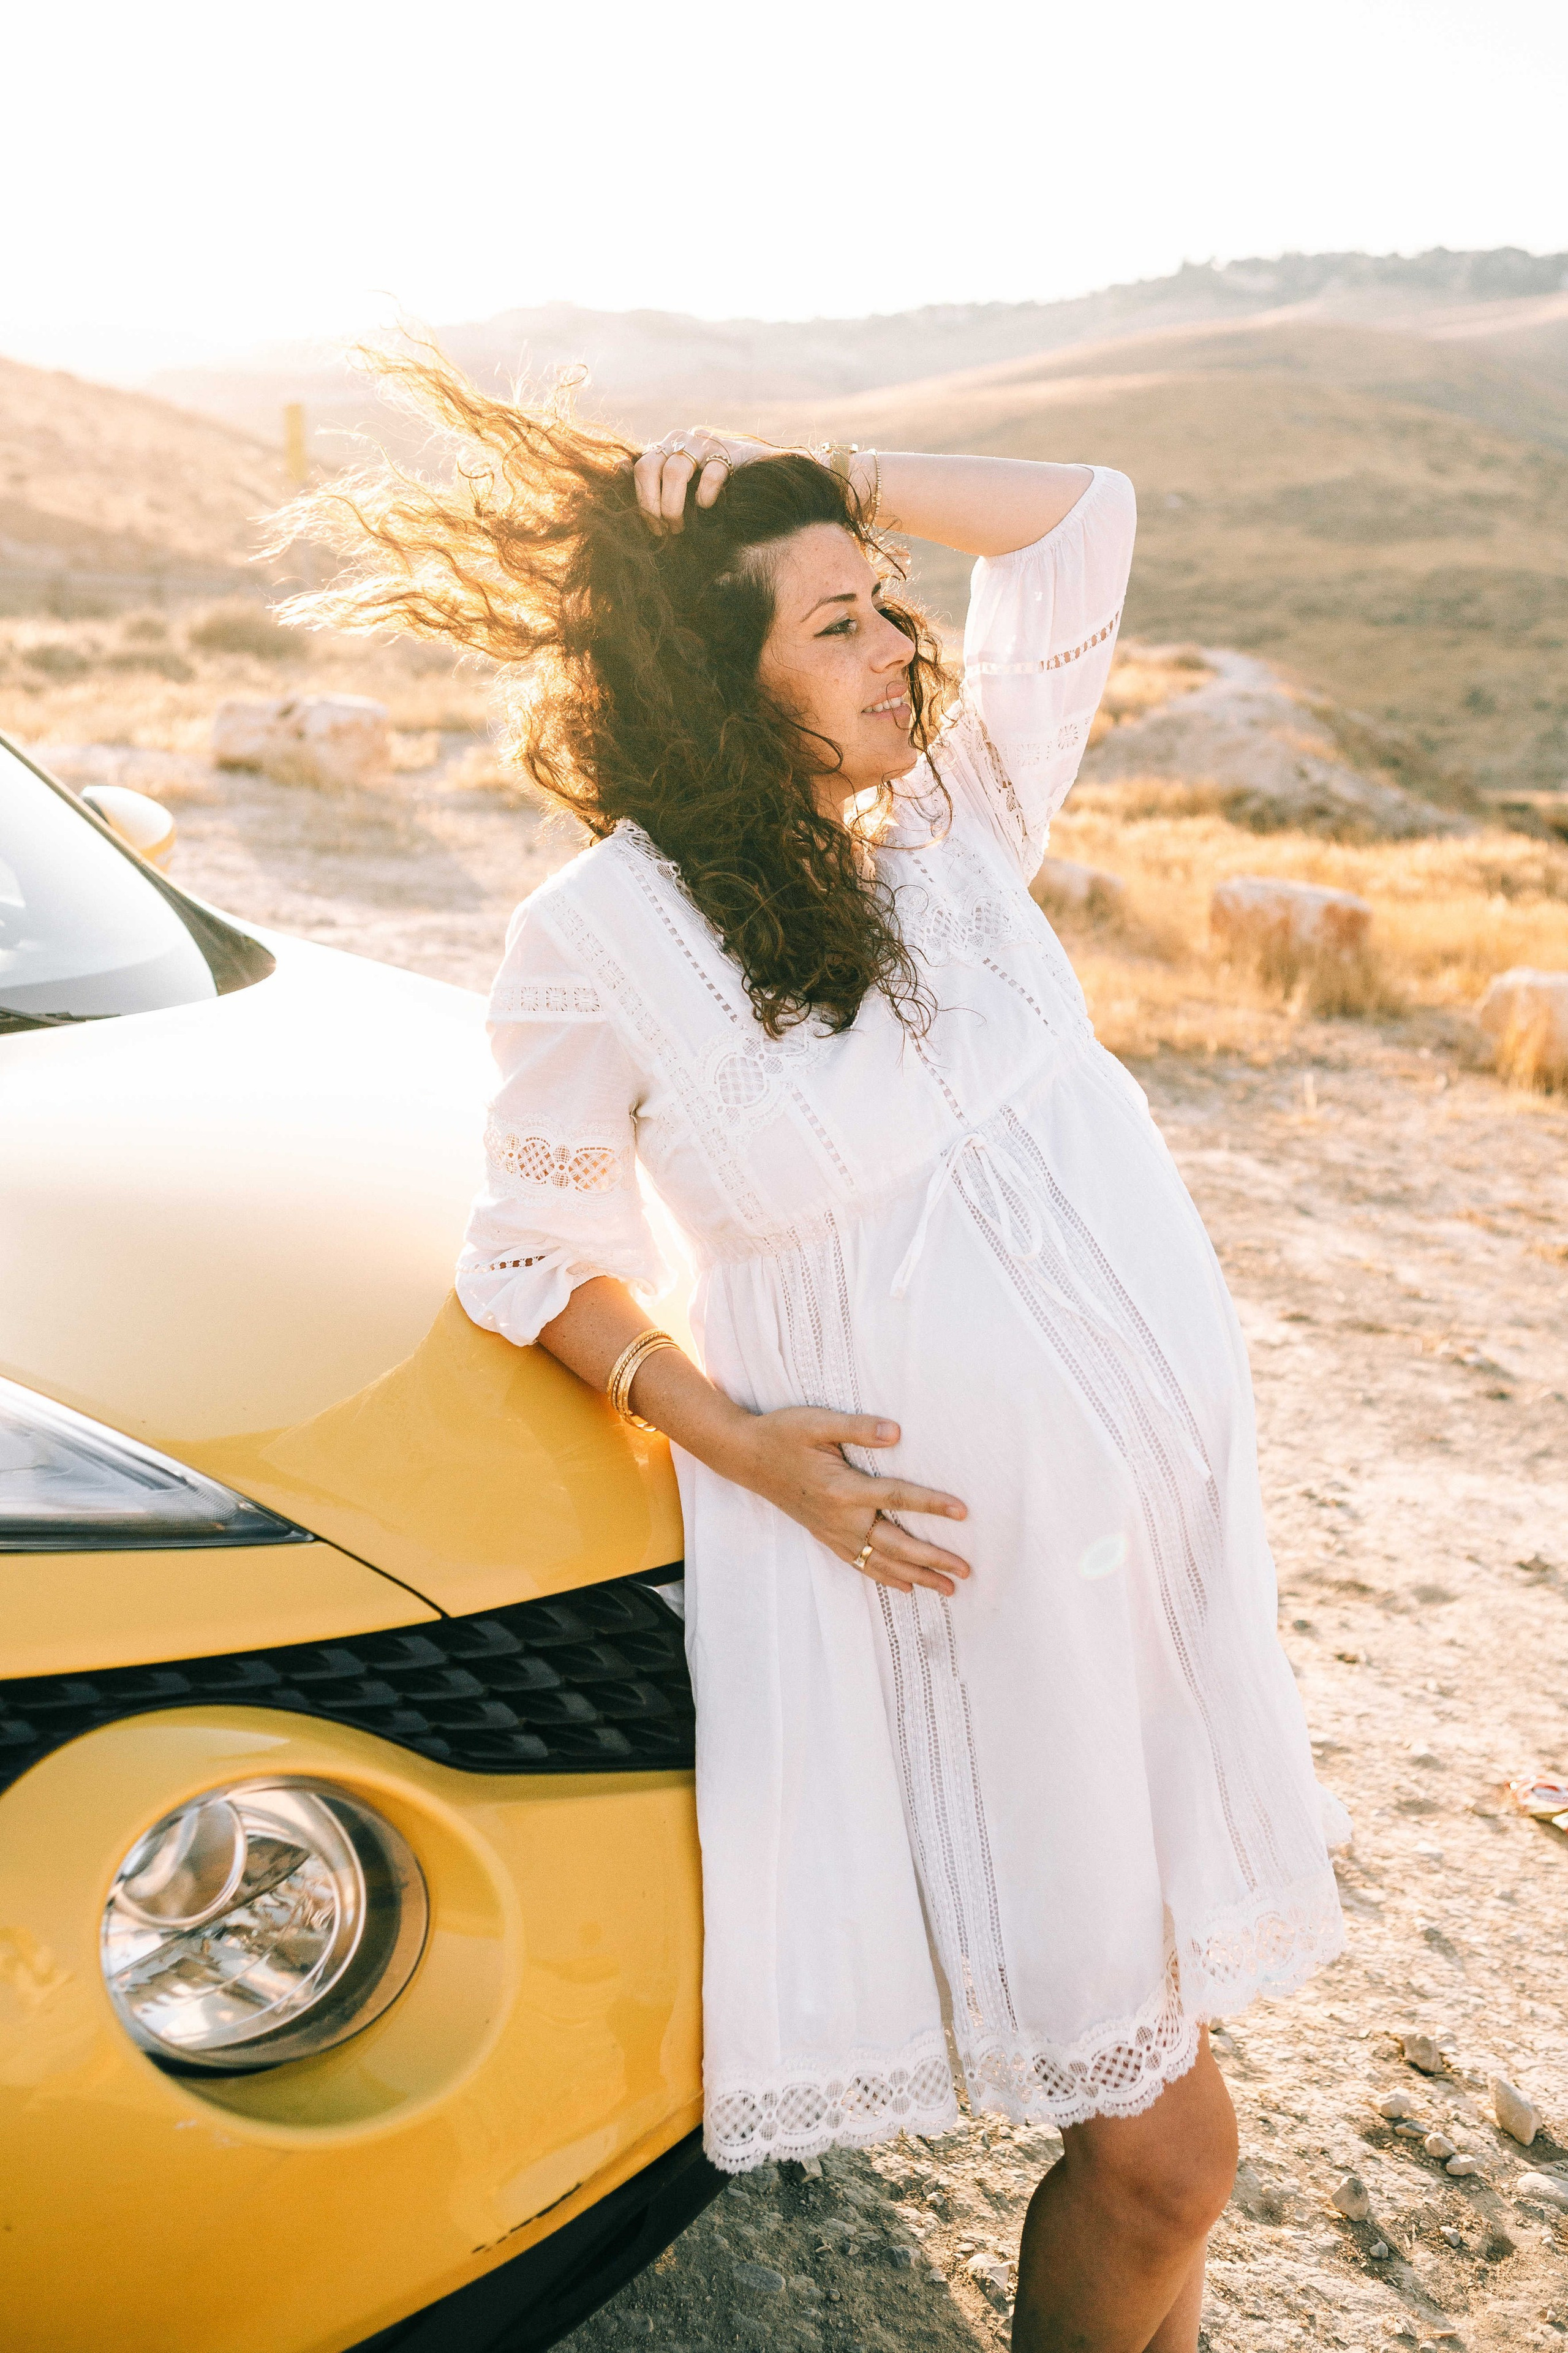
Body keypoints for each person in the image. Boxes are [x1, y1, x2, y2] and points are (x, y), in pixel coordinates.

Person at [282, 358, 1348, 2353]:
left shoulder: (950, 826)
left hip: (1144, 1580)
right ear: (717, 684)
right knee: (1171, 2155)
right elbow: (531, 1251)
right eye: (836, 620)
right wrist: (743, 1444)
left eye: (890, 603)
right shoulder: (598, 932)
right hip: (956, 1607)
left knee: (1161, 2142)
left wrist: (838, 479)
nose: (895, 648)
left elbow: (1086, 518)